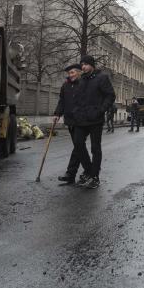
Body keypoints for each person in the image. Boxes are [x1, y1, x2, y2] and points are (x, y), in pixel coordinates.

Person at [75, 54, 116, 189]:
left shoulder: (101, 78)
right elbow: (78, 99)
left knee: (95, 148)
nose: (83, 67)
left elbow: (110, 95)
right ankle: (88, 171)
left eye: (85, 64)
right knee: (78, 143)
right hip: (81, 119)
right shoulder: (81, 80)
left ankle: (95, 176)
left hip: (95, 119)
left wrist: (101, 110)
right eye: (82, 65)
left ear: (91, 65)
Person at [54, 64, 84, 184]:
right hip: (70, 120)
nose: (70, 75)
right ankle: (78, 173)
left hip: (82, 121)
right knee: (79, 147)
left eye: (72, 72)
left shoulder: (83, 84)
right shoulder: (65, 86)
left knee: (78, 145)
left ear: (79, 72)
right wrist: (57, 114)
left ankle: (71, 173)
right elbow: (62, 101)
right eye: (69, 73)